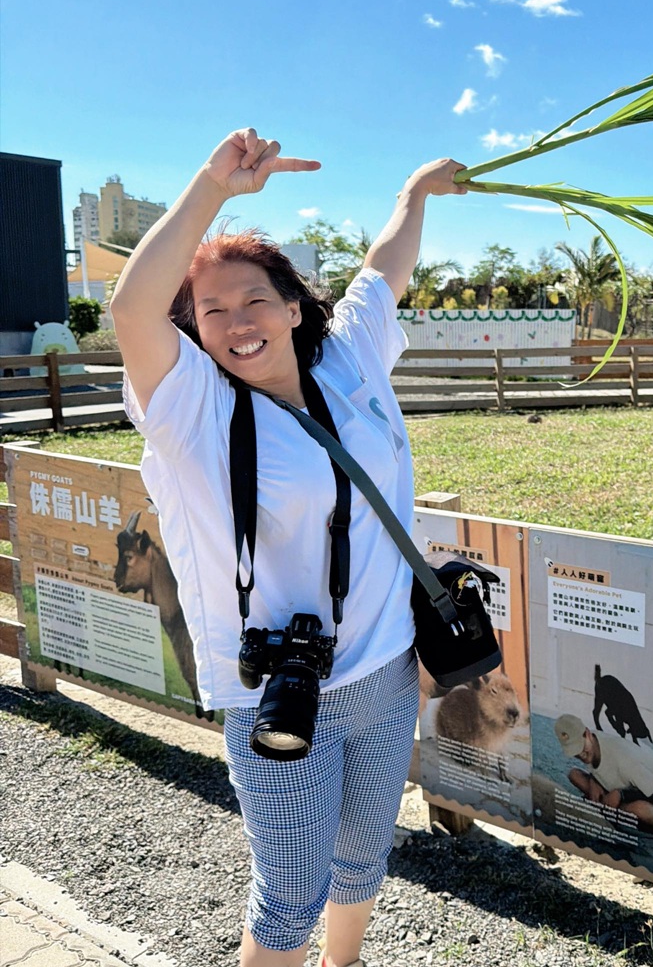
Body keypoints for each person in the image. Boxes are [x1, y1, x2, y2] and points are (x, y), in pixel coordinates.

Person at [110, 128, 466, 967]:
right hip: (278, 692)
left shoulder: (348, 358)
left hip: (387, 671)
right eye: (212, 311)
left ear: (295, 307)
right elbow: (129, 310)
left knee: (364, 858)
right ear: (193, 330)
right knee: (288, 896)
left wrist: (415, 191)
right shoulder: (191, 411)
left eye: (255, 300)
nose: (237, 323)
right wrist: (211, 189)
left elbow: (386, 267)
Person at [553, 713, 653, 834]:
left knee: (639, 809)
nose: (581, 755)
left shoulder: (625, 759)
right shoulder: (593, 742)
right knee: (574, 775)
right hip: (622, 788)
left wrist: (621, 795)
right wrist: (593, 780)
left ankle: (611, 811)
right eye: (574, 751)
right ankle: (610, 810)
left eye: (580, 747)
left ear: (587, 734)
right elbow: (599, 766)